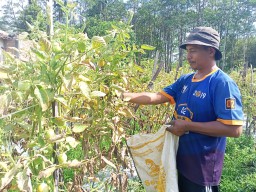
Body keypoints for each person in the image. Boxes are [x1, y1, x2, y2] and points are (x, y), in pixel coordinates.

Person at [122, 27, 244, 192]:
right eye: (187, 51)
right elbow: (157, 97)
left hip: (202, 169)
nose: (188, 56)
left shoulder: (222, 83)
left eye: (193, 51)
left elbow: (234, 129)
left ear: (210, 51)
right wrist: (123, 96)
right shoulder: (186, 80)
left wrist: (187, 126)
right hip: (180, 161)